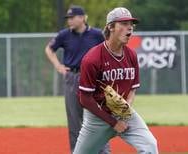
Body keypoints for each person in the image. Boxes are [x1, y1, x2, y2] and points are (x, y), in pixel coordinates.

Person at [74, 7, 159, 154]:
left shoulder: (131, 55)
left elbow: (133, 88)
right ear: (110, 27)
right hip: (97, 118)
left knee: (150, 146)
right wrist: (113, 122)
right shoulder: (92, 58)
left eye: (131, 24)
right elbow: (85, 99)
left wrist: (125, 110)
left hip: (124, 113)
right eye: (124, 24)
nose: (130, 28)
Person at [45, 5, 110, 153]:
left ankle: (103, 151)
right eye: (68, 18)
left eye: (72, 17)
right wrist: (58, 66)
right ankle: (77, 151)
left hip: (94, 79)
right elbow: (49, 49)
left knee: (99, 116)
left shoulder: (96, 34)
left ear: (82, 18)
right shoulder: (64, 35)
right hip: (72, 77)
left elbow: (108, 50)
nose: (70, 21)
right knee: (74, 119)